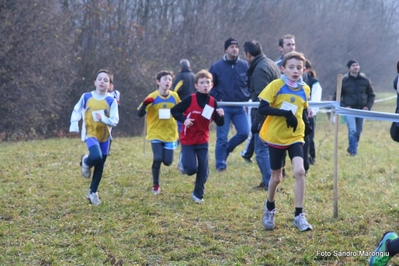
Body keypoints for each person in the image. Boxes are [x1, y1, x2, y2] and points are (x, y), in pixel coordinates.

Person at [258, 51, 313, 232]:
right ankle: (269, 208)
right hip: (276, 137)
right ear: (283, 69)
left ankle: (299, 215)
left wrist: (307, 116)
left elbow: (303, 109)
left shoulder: (305, 89)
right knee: (276, 178)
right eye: (291, 67)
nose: (295, 71)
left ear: (303, 70)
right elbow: (262, 108)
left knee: (300, 171)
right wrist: (285, 113)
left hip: (295, 136)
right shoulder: (276, 85)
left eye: (299, 68)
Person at [171, 70, 225, 203]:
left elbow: (219, 123)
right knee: (191, 169)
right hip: (188, 139)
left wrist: (221, 115)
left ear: (211, 85)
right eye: (202, 83)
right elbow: (174, 110)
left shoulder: (213, 102)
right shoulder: (190, 99)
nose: (205, 85)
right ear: (196, 85)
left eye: (207, 82)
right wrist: (184, 120)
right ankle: (183, 158)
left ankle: (198, 194)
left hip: (203, 140)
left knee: (203, 170)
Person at [69, 69, 119, 206]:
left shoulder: (111, 101)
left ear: (109, 85)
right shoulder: (86, 97)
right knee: (95, 157)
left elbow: (115, 120)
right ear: (95, 82)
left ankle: (93, 193)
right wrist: (74, 124)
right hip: (90, 134)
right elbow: (77, 109)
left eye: (106, 80)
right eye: (100, 79)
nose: (102, 82)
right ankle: (86, 161)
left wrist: (103, 119)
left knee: (100, 165)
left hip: (105, 136)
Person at [242, 40, 280, 190]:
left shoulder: (259, 69)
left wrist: (257, 122)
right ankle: (271, 181)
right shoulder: (271, 63)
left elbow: (262, 98)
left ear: (248, 54)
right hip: (274, 112)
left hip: (265, 115)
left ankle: (269, 183)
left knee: (261, 150)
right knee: (269, 149)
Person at [209, 37, 250, 172]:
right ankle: (220, 164)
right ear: (226, 49)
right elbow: (209, 85)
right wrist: (218, 97)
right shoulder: (216, 67)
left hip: (239, 106)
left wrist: (247, 95)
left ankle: (226, 149)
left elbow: (249, 84)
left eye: (236, 47)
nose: (235, 49)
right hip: (223, 106)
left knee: (244, 132)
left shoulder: (245, 65)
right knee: (222, 136)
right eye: (232, 47)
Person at [137, 70, 180, 195]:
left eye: (170, 80)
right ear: (158, 82)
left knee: (167, 162)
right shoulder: (152, 97)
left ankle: (163, 167)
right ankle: (156, 185)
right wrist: (145, 104)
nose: (168, 82)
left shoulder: (175, 96)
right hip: (155, 133)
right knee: (157, 158)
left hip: (170, 134)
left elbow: (181, 110)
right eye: (165, 79)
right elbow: (139, 114)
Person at [334, 60, 375, 156]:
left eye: (357, 65)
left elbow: (371, 95)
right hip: (350, 110)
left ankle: (351, 147)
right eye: (353, 65)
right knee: (352, 130)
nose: (356, 67)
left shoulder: (365, 79)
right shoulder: (344, 80)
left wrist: (367, 106)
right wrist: (345, 106)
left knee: (358, 131)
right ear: (349, 68)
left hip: (361, 110)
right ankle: (353, 152)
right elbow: (337, 97)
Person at [275, 34, 296, 177]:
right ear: (281, 48)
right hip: (281, 108)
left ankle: (300, 168)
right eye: (288, 44)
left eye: (293, 44)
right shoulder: (276, 66)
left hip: (297, 108)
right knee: (281, 139)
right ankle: (280, 169)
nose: (292, 47)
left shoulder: (302, 64)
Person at [172, 59, 196, 173]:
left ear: (181, 68)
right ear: (189, 66)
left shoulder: (180, 77)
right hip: (195, 110)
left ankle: (182, 161)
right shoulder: (195, 76)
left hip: (183, 111)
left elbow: (174, 92)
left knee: (182, 136)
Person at [302, 60, 322, 170]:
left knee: (309, 137)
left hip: (310, 113)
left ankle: (311, 157)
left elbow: (316, 98)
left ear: (308, 69)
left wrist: (312, 111)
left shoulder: (314, 82)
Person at [107, 79, 121, 154]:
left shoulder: (116, 93)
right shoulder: (103, 93)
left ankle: (107, 150)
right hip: (105, 114)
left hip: (112, 115)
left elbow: (118, 103)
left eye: (111, 85)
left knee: (109, 132)